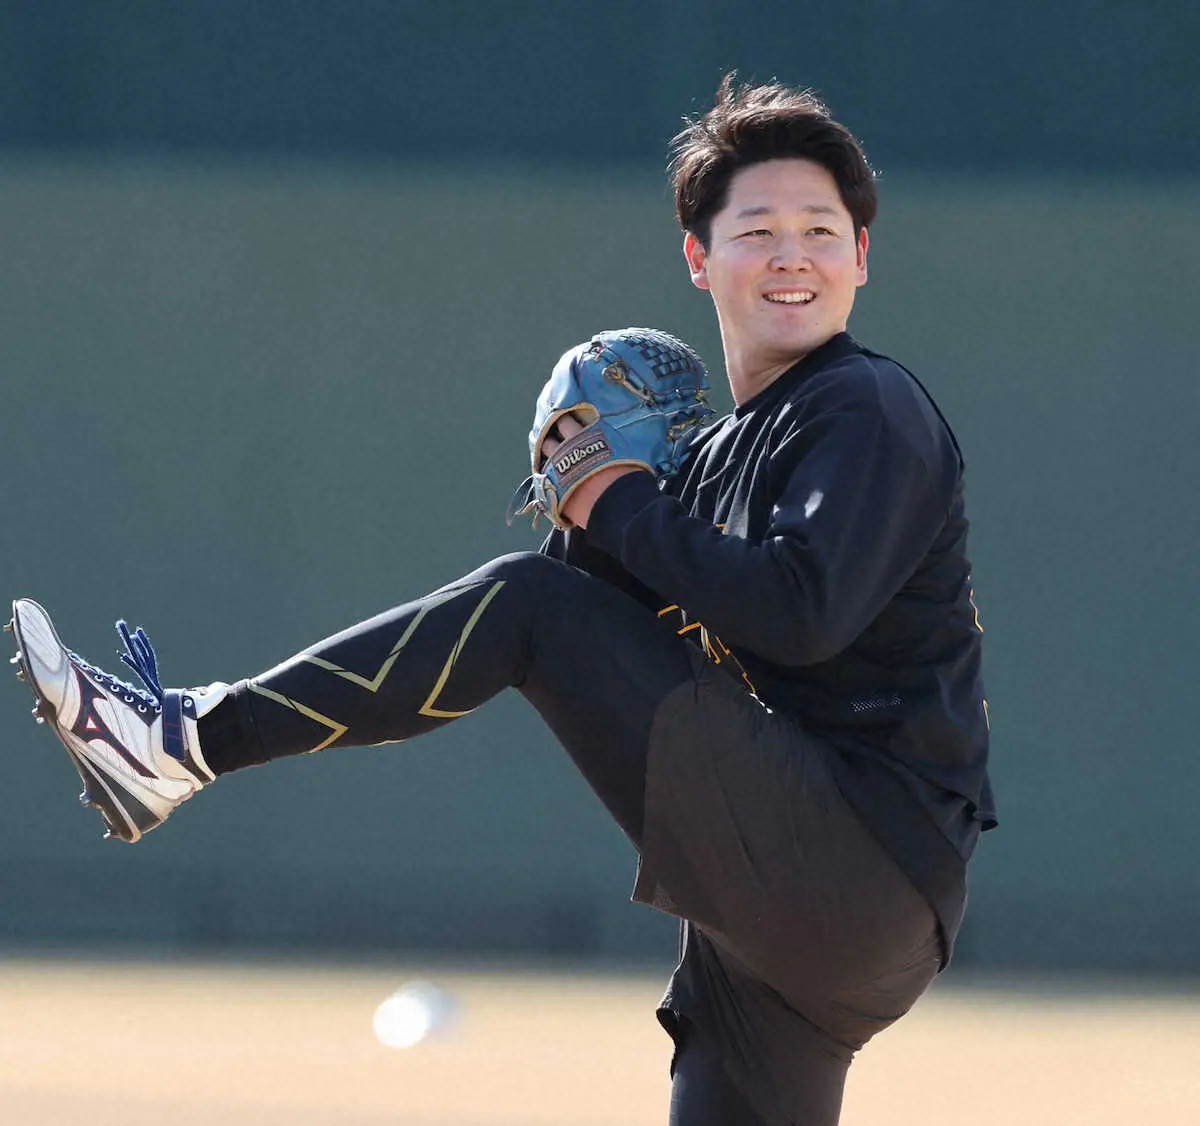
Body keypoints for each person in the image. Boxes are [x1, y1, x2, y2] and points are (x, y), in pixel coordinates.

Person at [9, 75, 995, 1126]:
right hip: (791, 916)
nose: (792, 253)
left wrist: (613, 497)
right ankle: (176, 744)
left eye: (820, 228)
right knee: (539, 603)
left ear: (860, 257)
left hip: (855, 860)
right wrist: (589, 519)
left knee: (529, 606)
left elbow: (799, 613)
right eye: (757, 229)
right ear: (700, 258)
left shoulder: (865, 405)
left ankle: (185, 738)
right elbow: (587, 637)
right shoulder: (708, 467)